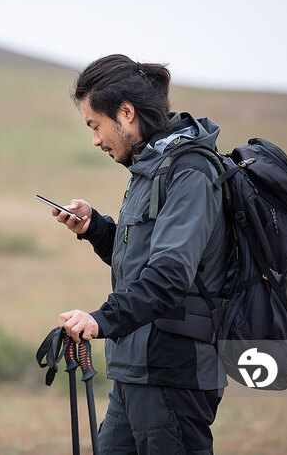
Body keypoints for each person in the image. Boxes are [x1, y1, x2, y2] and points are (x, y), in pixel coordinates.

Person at [51, 54, 228, 455]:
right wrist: (95, 228)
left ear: (126, 113)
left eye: (95, 125)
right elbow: (141, 261)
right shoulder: (151, 168)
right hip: (136, 372)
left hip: (172, 375)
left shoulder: (189, 173)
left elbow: (168, 277)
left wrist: (100, 320)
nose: (95, 140)